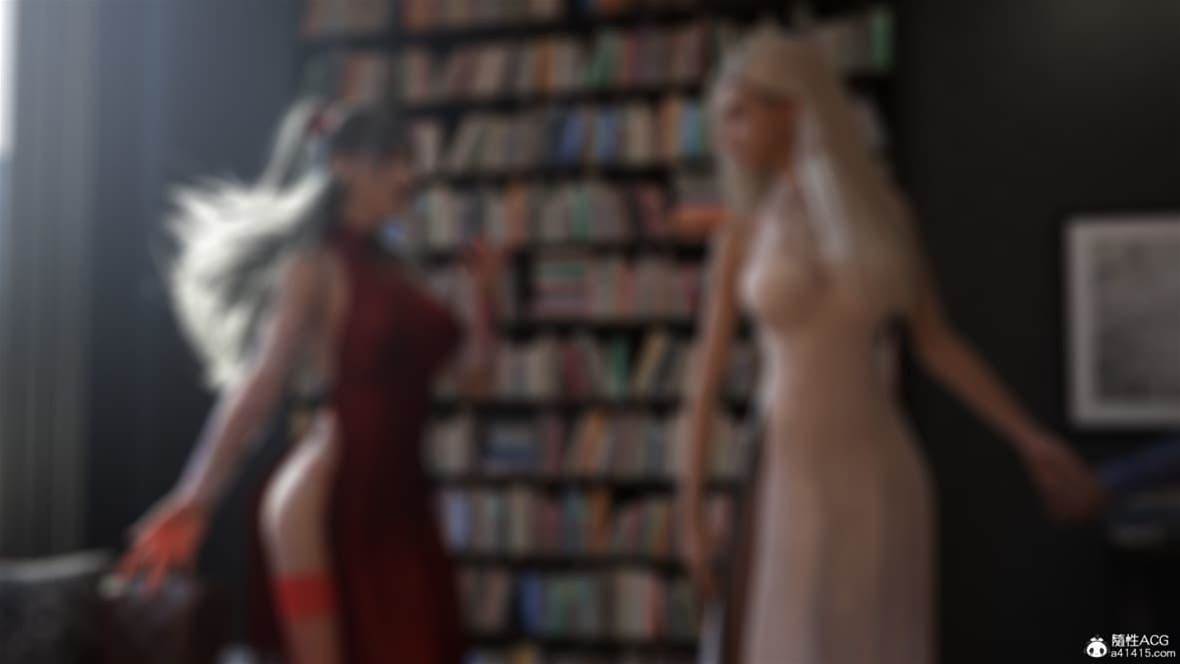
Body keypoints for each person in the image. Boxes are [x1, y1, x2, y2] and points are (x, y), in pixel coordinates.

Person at [678, 25, 1109, 664]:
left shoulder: (884, 215)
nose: (727, 133)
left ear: (791, 106)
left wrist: (1029, 438)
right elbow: (705, 380)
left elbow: (935, 343)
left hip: (877, 468)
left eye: (741, 112)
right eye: (724, 117)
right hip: (786, 472)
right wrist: (689, 511)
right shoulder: (741, 234)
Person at [116, 99, 501, 663]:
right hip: (325, 501)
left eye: (408, 162)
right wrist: (196, 496)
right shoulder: (314, 265)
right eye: (389, 161)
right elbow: (263, 380)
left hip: (401, 506)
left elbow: (476, 380)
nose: (406, 176)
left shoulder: (400, 273)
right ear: (343, 165)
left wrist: (481, 296)